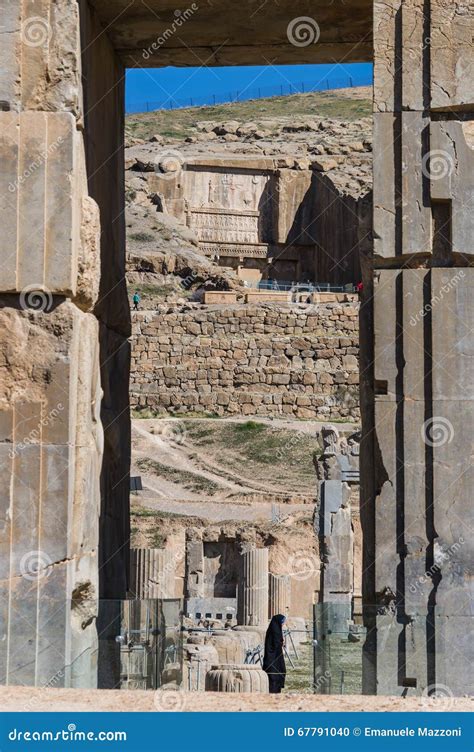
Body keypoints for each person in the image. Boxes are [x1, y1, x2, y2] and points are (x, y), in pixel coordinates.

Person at [262, 614, 286, 693]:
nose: (283, 624)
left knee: (280, 672)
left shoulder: (276, 629)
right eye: (282, 622)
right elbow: (276, 643)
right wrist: (281, 642)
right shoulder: (274, 630)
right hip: (272, 658)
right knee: (273, 676)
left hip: (276, 657)